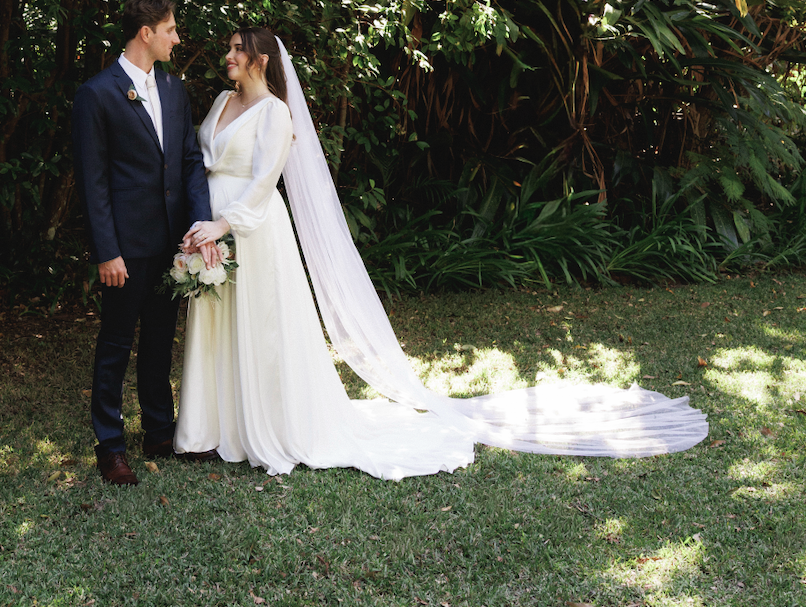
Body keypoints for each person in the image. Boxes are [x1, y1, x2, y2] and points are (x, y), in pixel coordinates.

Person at [174, 26, 709, 479]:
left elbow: (264, 183)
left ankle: (267, 425)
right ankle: (213, 427)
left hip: (252, 230)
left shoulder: (274, 113)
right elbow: (203, 161)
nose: (227, 57)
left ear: (259, 60)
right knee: (217, 324)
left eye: (236, 50)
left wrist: (221, 225)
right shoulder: (223, 102)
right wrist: (200, 225)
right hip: (210, 229)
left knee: (260, 329)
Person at [72, 0, 214, 486]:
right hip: (125, 246)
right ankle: (109, 445)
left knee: (158, 340)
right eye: (171, 29)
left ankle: (159, 430)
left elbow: (190, 163)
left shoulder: (174, 90)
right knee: (115, 343)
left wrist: (197, 228)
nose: (177, 38)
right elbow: (93, 182)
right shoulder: (97, 93)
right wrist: (106, 250)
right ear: (146, 34)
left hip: (171, 242)